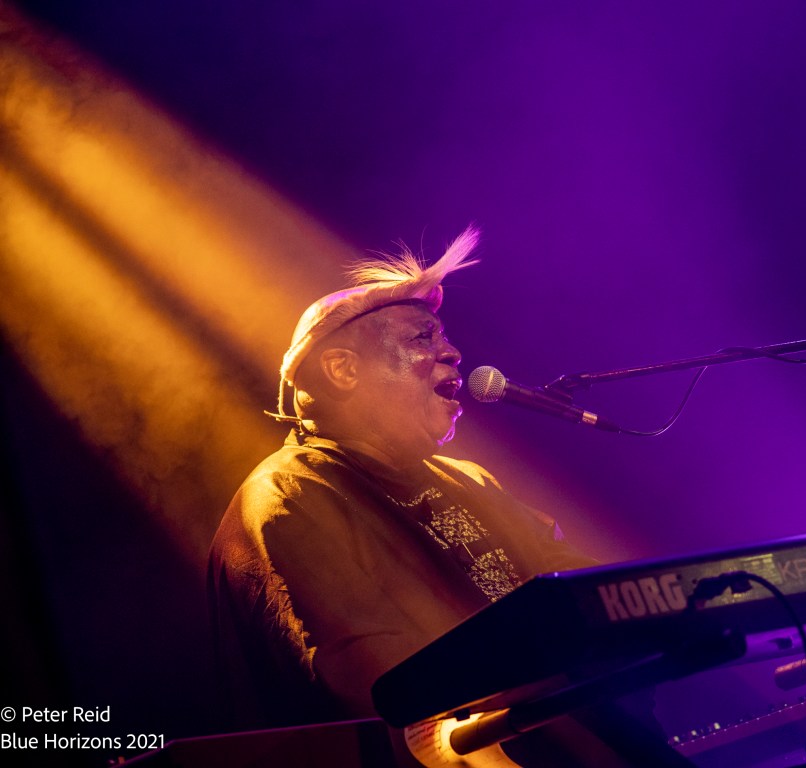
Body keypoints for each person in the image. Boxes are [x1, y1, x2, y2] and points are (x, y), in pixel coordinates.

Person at [207, 227, 599, 733]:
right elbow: (382, 680)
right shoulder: (290, 494)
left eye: (444, 336)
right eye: (422, 337)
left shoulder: (468, 480)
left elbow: (580, 587)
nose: (453, 353)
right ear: (342, 369)